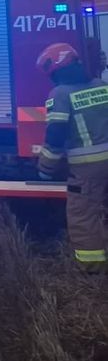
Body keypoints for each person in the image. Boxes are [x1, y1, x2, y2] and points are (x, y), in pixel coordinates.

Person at [35, 43, 108, 272]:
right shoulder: (102, 86)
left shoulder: (60, 94)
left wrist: (45, 168)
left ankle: (93, 270)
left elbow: (56, 134)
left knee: (83, 216)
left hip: (88, 169)